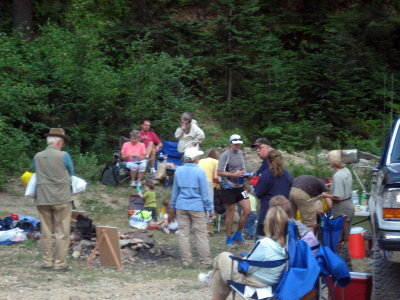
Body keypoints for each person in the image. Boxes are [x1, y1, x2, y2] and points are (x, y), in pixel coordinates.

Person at [199, 206, 288, 300]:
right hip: (271, 280)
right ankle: (212, 275)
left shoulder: (265, 244)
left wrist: (244, 260)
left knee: (224, 256)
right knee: (220, 273)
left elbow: (247, 269)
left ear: (268, 223)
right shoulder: (285, 244)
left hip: (254, 281)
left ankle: (210, 276)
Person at [32, 128, 74, 271]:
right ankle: (60, 263)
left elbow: (33, 170)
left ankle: (47, 262)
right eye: (62, 142)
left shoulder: (38, 156)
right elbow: (71, 172)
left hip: (43, 197)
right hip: (62, 198)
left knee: (46, 232)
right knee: (62, 232)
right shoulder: (64, 155)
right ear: (59, 142)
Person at [171, 147, 214, 267]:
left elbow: (175, 191)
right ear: (195, 158)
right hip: (197, 206)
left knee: (184, 234)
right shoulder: (200, 171)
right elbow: (205, 194)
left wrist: (173, 206)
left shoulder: (178, 171)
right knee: (201, 234)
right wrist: (210, 208)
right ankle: (205, 261)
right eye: (198, 156)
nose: (199, 158)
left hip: (181, 205)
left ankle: (186, 261)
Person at [217, 134, 251, 245]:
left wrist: (246, 174)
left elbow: (243, 167)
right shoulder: (225, 155)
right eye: (235, 143)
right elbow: (219, 172)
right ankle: (228, 237)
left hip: (240, 186)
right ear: (231, 143)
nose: (237, 145)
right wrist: (233, 174)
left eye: (239, 144)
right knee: (230, 213)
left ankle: (238, 234)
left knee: (248, 211)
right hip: (228, 187)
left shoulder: (241, 153)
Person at [255, 150, 293, 237]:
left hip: (267, 213)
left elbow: (258, 192)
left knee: (263, 241)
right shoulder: (288, 175)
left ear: (268, 161)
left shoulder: (266, 175)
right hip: (283, 214)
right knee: (281, 241)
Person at [322, 150, 355, 229]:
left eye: (329, 159)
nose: (328, 162)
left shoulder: (338, 176)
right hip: (349, 205)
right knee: (345, 235)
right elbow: (345, 185)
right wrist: (332, 185)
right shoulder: (346, 170)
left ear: (333, 161)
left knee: (339, 236)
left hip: (341, 209)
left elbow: (338, 197)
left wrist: (325, 195)